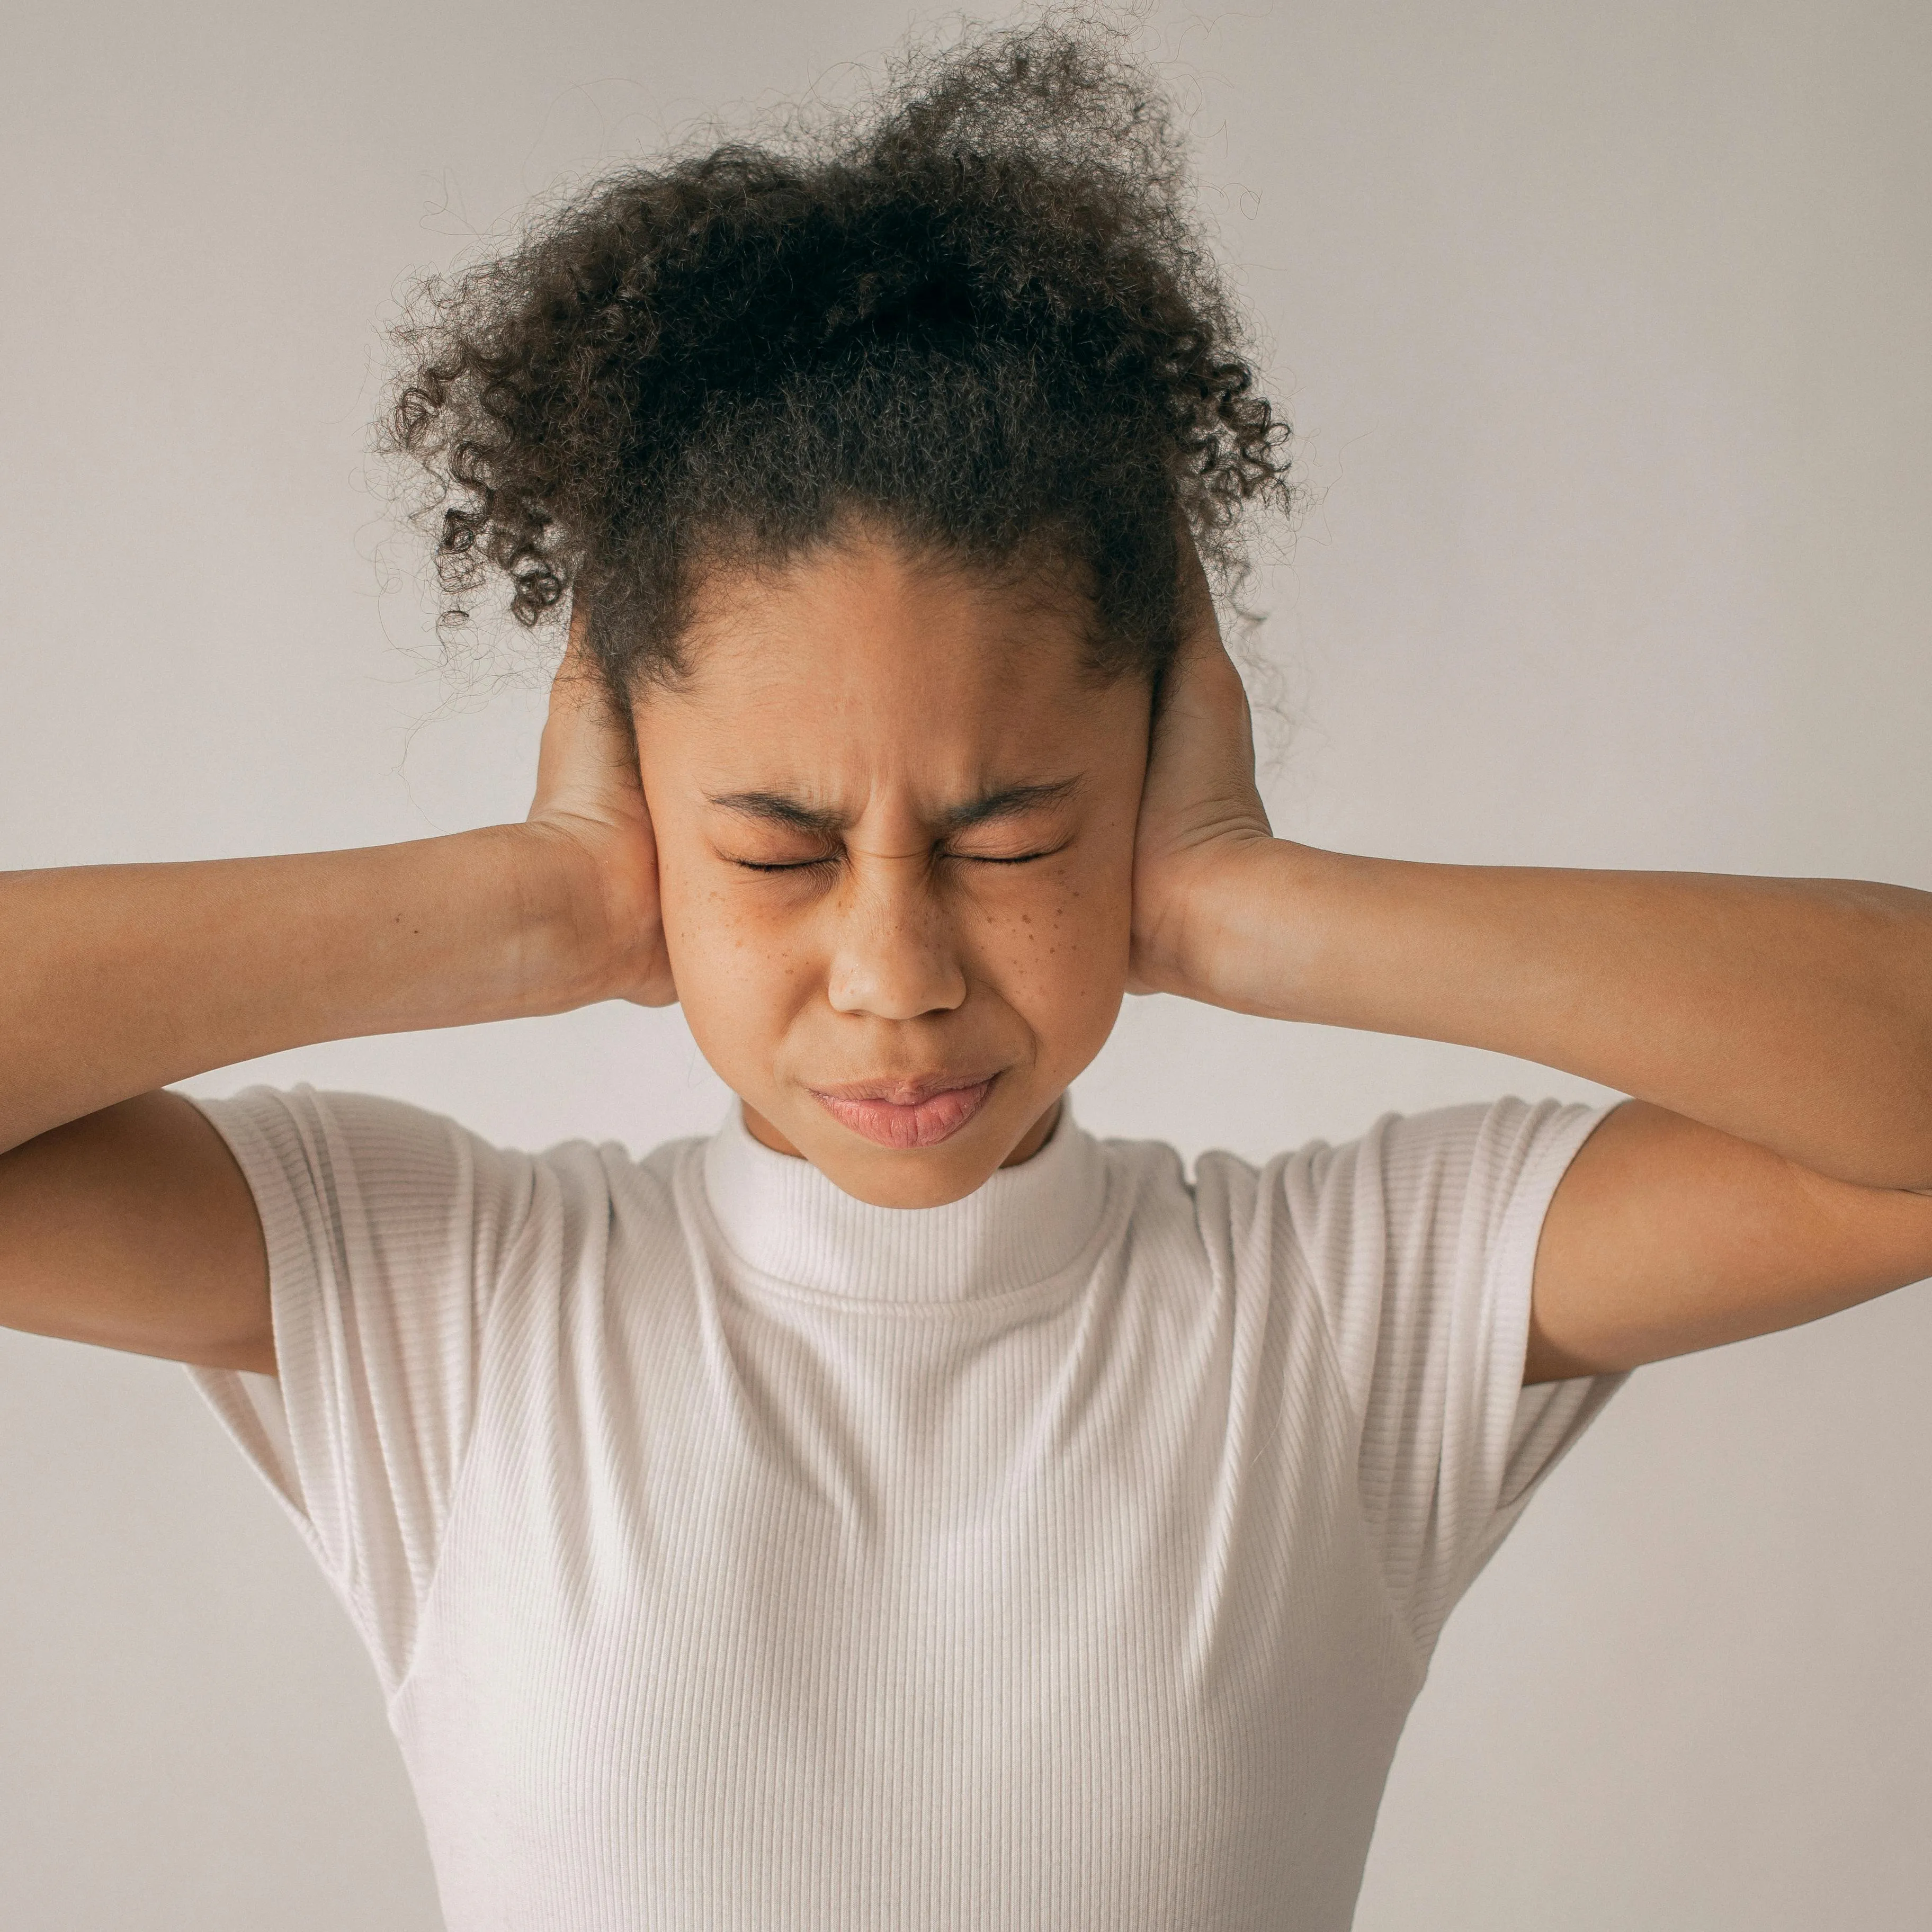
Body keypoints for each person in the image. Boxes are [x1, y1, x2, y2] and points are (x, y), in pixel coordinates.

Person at [2, 17, 1928, 1931]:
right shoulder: (449, 1303)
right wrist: (543, 899)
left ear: (1153, 776)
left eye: (1013, 842)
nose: (897, 971)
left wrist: (1246, 904)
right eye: (776, 849)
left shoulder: (1342, 1317)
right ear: (641, 793)